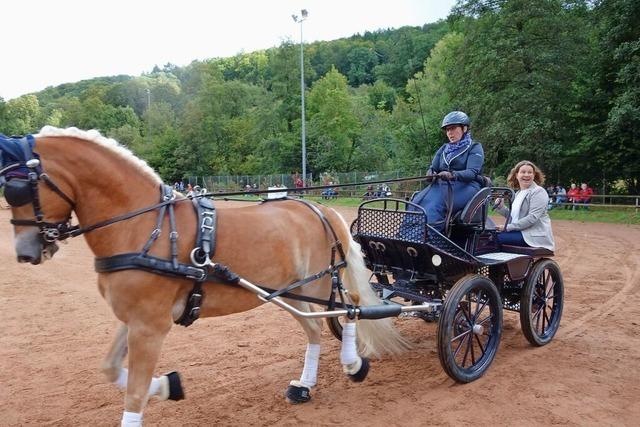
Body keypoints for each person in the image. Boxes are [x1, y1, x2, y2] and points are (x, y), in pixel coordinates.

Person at [410, 111, 485, 233]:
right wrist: (430, 173)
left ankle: (430, 237)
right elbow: (434, 167)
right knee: (416, 202)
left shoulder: (474, 147)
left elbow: (472, 172)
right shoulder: (444, 149)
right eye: (447, 130)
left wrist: (453, 175)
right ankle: (407, 235)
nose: (449, 132)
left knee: (436, 205)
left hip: (468, 186)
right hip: (442, 185)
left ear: (464, 128)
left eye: (453, 128)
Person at [494, 160, 555, 251]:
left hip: (532, 235)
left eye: (530, 172)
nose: (526, 175)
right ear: (516, 175)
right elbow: (514, 217)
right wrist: (501, 207)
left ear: (534, 175)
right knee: (487, 236)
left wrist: (507, 227)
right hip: (519, 232)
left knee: (494, 239)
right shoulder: (518, 193)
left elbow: (532, 218)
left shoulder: (538, 191)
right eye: (523, 172)